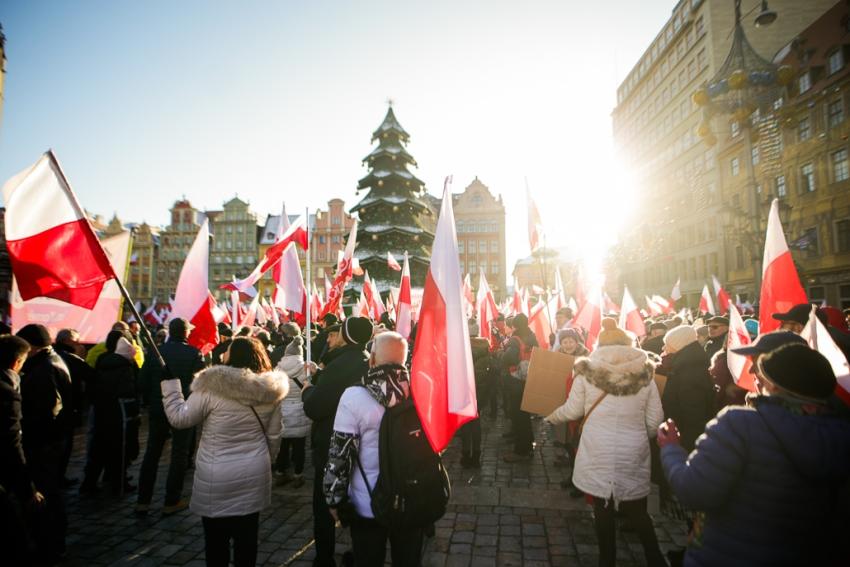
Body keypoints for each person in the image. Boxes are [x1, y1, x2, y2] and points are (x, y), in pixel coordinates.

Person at [658, 343, 850, 566]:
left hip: (726, 557)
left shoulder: (739, 424)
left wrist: (671, 448)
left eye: (760, 369)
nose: (751, 373)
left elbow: (694, 491)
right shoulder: (841, 435)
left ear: (775, 386)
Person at [545, 318, 666, 567]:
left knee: (602, 508)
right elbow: (655, 420)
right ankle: (655, 559)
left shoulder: (586, 372)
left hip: (597, 447)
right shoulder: (646, 374)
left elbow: (572, 410)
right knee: (638, 510)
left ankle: (606, 560)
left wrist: (551, 416)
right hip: (634, 448)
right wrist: (640, 436)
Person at [161, 337, 287, 567]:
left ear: (233, 356)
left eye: (227, 350)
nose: (223, 354)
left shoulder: (210, 387)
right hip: (254, 472)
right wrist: (265, 459)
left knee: (216, 542)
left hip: (216, 475)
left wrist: (171, 389)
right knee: (247, 540)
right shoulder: (270, 392)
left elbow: (180, 418)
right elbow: (274, 436)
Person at [323, 332, 424, 566]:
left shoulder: (353, 396)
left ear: (372, 361)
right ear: (404, 361)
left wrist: (334, 499)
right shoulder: (420, 393)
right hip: (412, 499)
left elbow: (339, 453)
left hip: (367, 502)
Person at [302, 317, 372, 567]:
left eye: (338, 332)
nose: (332, 336)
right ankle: (358, 551)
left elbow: (316, 406)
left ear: (347, 335)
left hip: (333, 441)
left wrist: (308, 390)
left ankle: (324, 558)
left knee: (324, 504)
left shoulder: (342, 363)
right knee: (358, 497)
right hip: (362, 441)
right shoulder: (365, 357)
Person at [136, 318, 206, 514]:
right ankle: (171, 501)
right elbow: (201, 384)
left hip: (158, 409)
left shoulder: (155, 352)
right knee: (179, 454)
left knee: (152, 453)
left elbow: (141, 382)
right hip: (184, 408)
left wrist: (153, 399)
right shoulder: (194, 353)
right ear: (186, 333)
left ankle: (143, 501)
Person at [16, 323, 71, 562]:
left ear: (34, 347)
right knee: (49, 492)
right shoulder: (49, 361)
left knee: (46, 493)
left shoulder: (44, 369)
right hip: (51, 439)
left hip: (44, 442)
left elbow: (47, 412)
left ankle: (50, 545)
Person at [0, 334, 45, 565]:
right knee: (15, 540)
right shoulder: (7, 391)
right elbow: (11, 444)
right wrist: (27, 490)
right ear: (17, 362)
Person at [81, 330, 140, 495]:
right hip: (120, 412)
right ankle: (118, 484)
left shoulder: (102, 359)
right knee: (119, 449)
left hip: (101, 408)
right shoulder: (127, 362)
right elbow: (132, 388)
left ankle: (89, 483)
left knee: (98, 447)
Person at [660, 325, 716, 452]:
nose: (663, 348)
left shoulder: (689, 371)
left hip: (685, 440)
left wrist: (686, 444)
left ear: (679, 345)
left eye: (667, 344)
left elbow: (693, 412)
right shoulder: (684, 365)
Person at [53, 328, 95, 486]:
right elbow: (91, 375)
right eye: (75, 341)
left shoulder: (54, 354)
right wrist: (82, 357)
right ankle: (57, 477)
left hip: (59, 407)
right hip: (67, 407)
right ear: (66, 341)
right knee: (64, 445)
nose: (79, 344)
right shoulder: (70, 357)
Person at [274, 333, 311, 487]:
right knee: (299, 446)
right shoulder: (306, 369)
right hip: (299, 411)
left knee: (283, 445)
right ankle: (298, 474)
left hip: (283, 410)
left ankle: (280, 472)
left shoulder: (277, 369)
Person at [501, 314, 538, 462]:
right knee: (524, 415)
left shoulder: (515, 339)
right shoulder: (532, 337)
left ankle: (521, 451)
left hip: (516, 382)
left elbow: (507, 358)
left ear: (515, 326)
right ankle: (527, 445)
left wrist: (500, 355)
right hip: (528, 380)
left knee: (518, 416)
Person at [459, 335, 490, 468]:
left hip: (465, 395)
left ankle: (466, 455)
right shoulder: (485, 355)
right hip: (480, 396)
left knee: (465, 426)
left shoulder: (463, 353)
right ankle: (476, 455)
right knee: (476, 425)